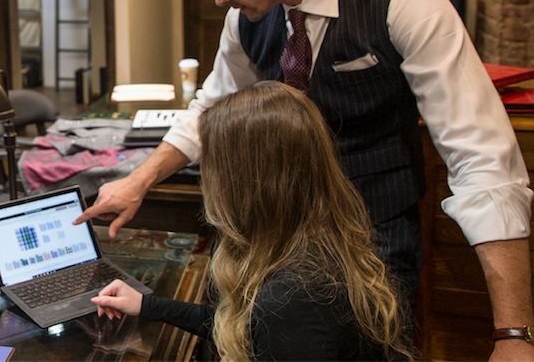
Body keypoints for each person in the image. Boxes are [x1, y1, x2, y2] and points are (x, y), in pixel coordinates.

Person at [74, 0, 534, 361]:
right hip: (275, 238)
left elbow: (480, 156)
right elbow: (209, 109)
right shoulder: (244, 20)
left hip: (374, 237)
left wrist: (514, 331)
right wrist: (140, 179)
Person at [93, 81, 411, 362]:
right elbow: (242, 325)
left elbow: (268, 325)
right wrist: (147, 306)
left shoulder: (289, 304)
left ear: (242, 185)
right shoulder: (320, 247)